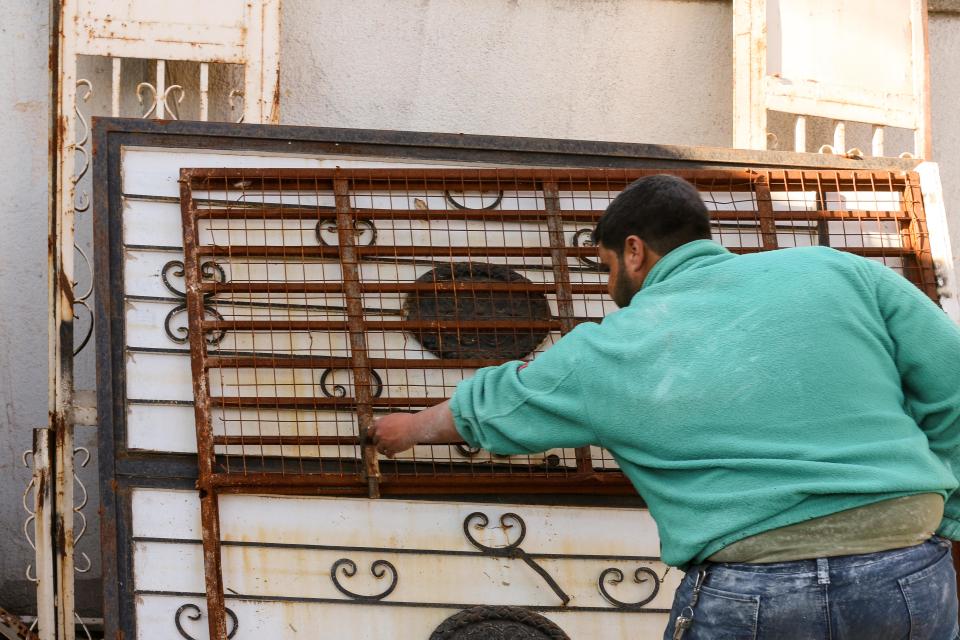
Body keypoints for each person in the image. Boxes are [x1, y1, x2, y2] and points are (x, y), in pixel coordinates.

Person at [369, 174, 960, 639]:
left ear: (634, 251)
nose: (609, 287)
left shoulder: (609, 346)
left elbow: (499, 405)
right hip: (907, 570)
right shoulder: (840, 272)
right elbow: (950, 379)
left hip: (752, 589)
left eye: (604, 268)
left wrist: (404, 429)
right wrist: (949, 513)